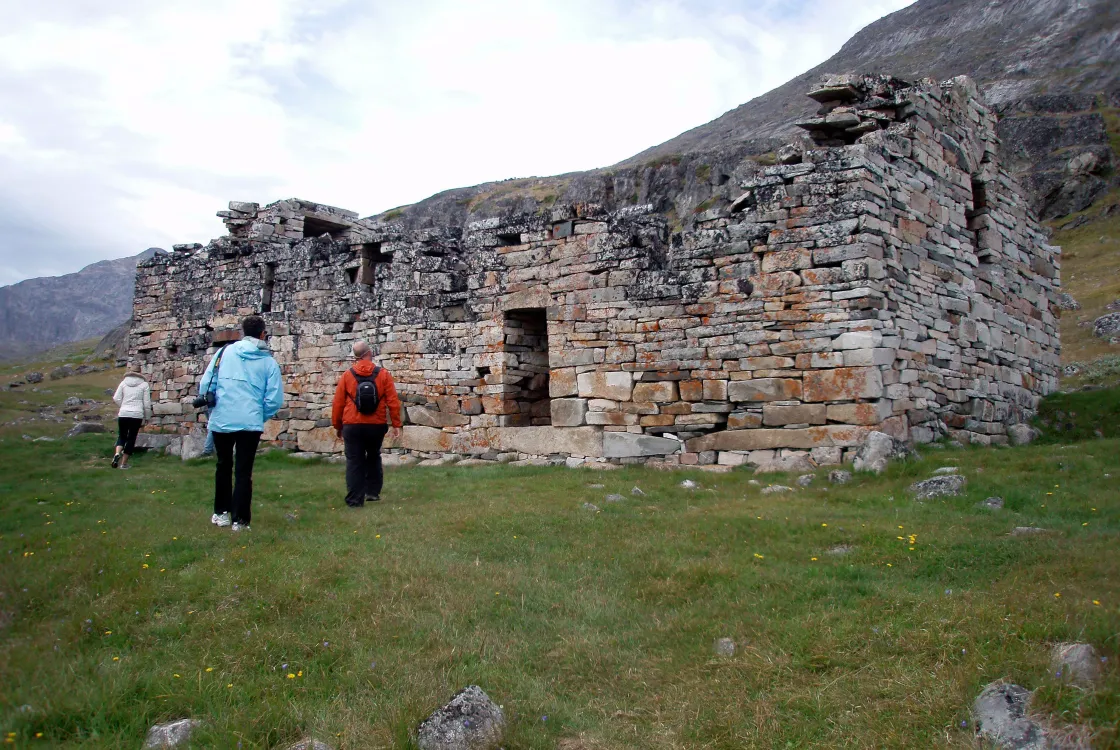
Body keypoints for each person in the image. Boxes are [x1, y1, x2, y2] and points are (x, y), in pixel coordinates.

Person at [198, 315, 284, 531]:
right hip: (250, 422)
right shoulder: (268, 362)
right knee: (244, 472)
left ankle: (221, 513)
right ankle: (241, 520)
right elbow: (274, 399)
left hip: (223, 419)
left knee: (223, 466)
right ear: (263, 334)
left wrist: (214, 407)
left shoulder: (224, 353)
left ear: (243, 332)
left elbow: (207, 383)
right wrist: (258, 414)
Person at [331, 340, 402, 506]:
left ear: (356, 357)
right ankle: (372, 492)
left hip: (352, 424)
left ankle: (355, 500)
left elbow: (338, 403)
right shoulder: (383, 374)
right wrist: (396, 424)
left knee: (354, 461)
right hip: (376, 424)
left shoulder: (347, 375)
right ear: (369, 353)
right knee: (373, 455)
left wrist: (337, 425)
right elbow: (392, 401)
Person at [111, 368, 151, 469]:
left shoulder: (124, 383)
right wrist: (147, 416)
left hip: (124, 413)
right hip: (137, 414)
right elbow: (146, 403)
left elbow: (116, 398)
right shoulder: (144, 385)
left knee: (122, 435)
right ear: (140, 373)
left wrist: (123, 406)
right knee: (131, 438)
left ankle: (117, 454)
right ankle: (123, 464)